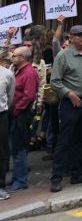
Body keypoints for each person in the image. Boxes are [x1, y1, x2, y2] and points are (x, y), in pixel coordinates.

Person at [49, 25, 82, 192]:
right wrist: (69, 94)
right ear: (71, 37)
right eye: (80, 35)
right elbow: (55, 81)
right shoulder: (63, 56)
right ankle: (56, 177)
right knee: (65, 140)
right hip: (71, 104)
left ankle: (78, 173)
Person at [7, 47, 38, 192]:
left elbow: (29, 96)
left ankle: (20, 180)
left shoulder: (29, 73)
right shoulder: (17, 71)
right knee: (16, 147)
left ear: (23, 57)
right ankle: (16, 178)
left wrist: (16, 110)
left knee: (19, 147)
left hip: (21, 114)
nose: (12, 58)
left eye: (15, 56)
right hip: (16, 113)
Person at [0, 52, 15, 200]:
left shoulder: (7, 74)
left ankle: (1, 185)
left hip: (1, 115)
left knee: (3, 151)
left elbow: (10, 98)